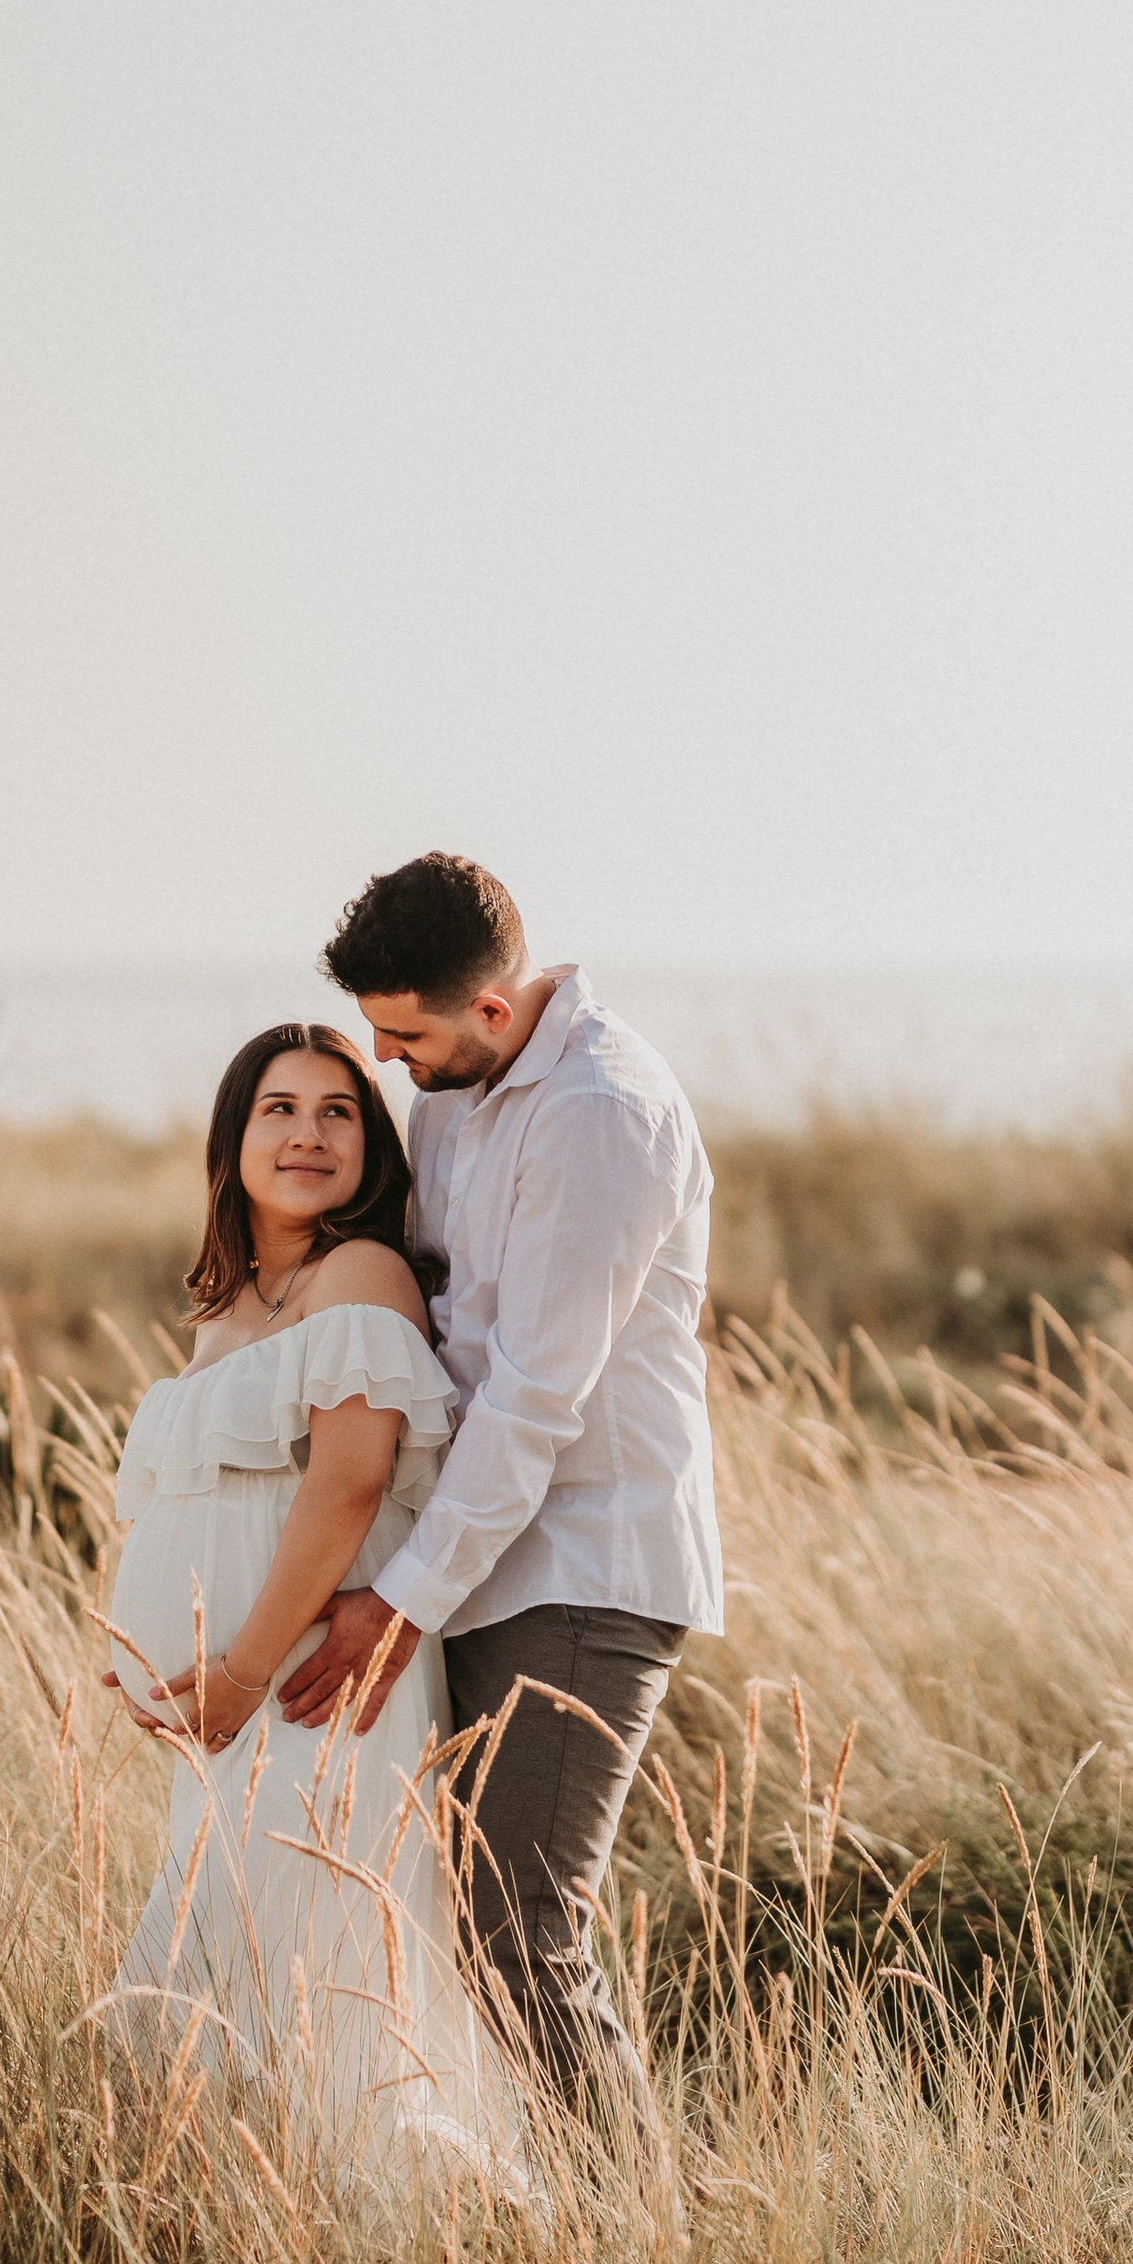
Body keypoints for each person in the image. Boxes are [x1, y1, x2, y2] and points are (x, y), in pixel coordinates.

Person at [278, 854, 722, 2117]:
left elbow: (532, 1397)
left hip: (581, 1564)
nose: (386, 1058)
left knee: (518, 1924)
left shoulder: (599, 1114)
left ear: (489, 1006)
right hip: (467, 1559)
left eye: (406, 1035)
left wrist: (399, 1602)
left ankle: (634, 2218)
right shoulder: (452, 1095)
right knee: (453, 1915)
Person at [103, 1019, 520, 2176]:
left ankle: (420, 2222)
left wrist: (239, 1671)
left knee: (320, 1969)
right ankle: (268, 2221)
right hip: (229, 1710)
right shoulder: (226, 1304)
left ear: (371, 1146)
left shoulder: (360, 1274)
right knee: (232, 1969)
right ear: (232, 1138)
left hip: (307, 1693)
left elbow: (348, 1485)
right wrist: (150, 1655)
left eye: (339, 1111)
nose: (308, 1134)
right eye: (278, 1109)